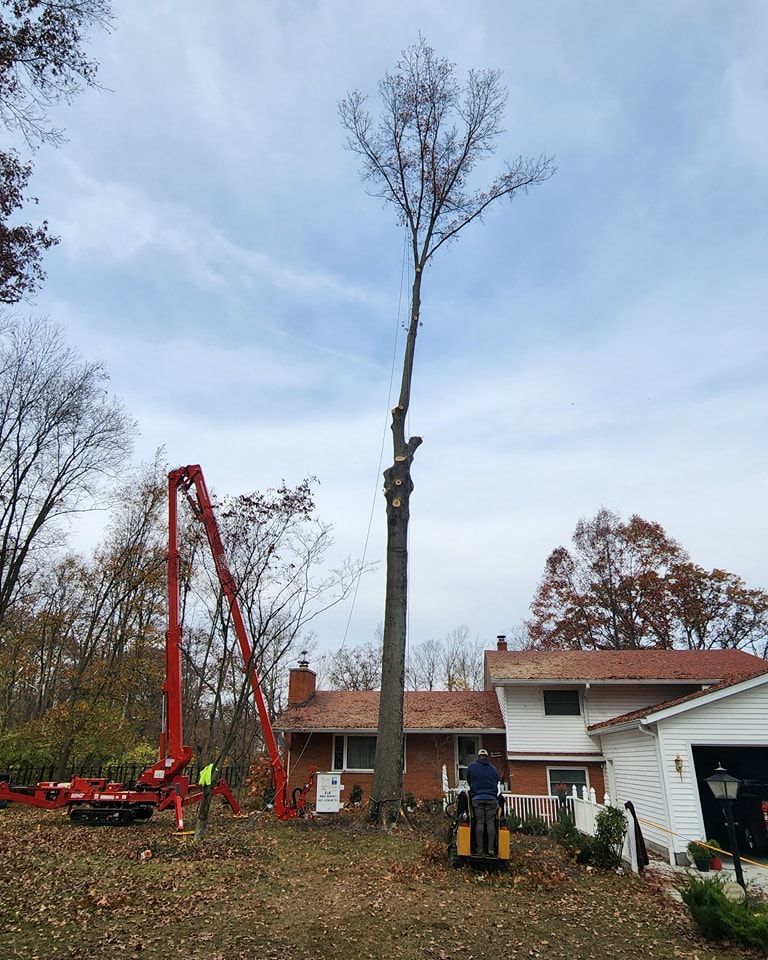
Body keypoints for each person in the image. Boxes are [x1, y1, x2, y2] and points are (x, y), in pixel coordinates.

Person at [466, 748, 500, 856]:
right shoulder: (493, 769)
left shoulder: (472, 767)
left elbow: (469, 780)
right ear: (487, 757)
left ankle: (479, 849)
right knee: (490, 823)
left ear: (478, 757)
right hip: (491, 799)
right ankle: (491, 849)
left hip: (477, 798)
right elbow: (496, 781)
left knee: (479, 822)